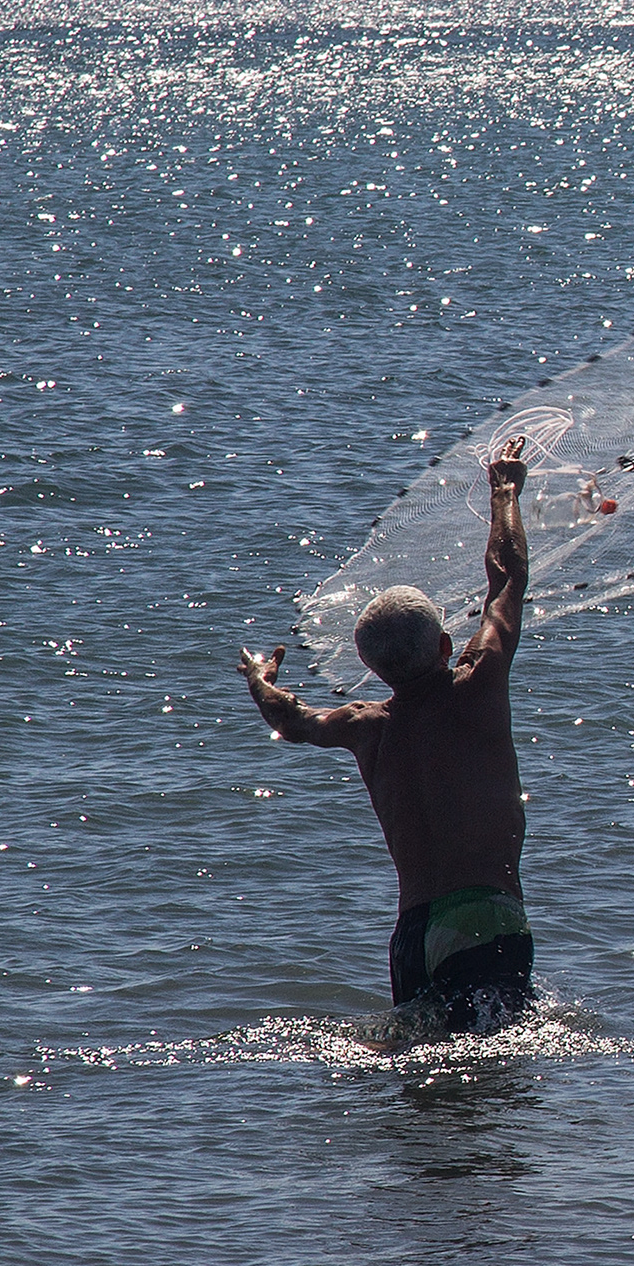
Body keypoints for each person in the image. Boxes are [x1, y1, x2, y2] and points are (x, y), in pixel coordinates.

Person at [238, 434, 535, 1034]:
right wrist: (503, 490)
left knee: (417, 1082)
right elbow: (506, 580)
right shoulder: (476, 682)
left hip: (412, 936)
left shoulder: (364, 726)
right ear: (447, 647)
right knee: (495, 1083)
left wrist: (260, 682)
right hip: (482, 919)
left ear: (371, 671)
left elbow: (292, 722)